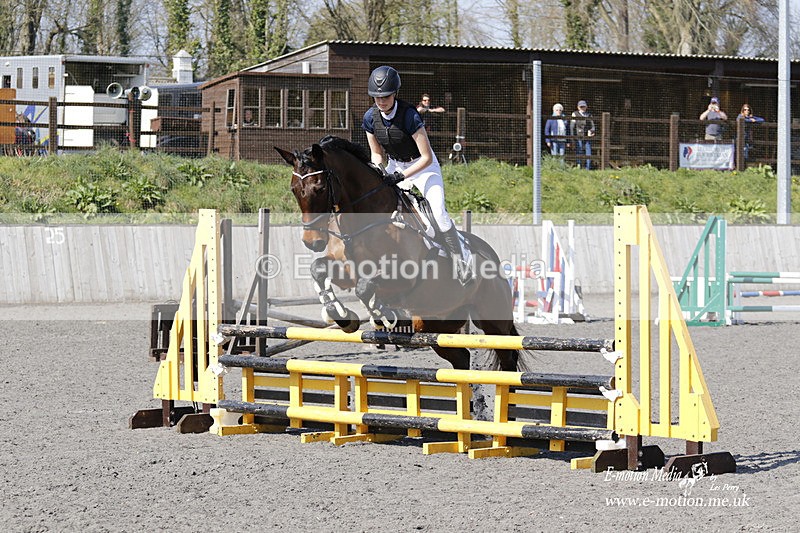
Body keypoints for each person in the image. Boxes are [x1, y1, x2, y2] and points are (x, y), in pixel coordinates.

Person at [362, 66, 469, 284]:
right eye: (377, 97)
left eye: (386, 96)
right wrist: (380, 172)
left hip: (423, 168)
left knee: (438, 213)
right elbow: (376, 153)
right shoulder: (370, 118)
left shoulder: (410, 116)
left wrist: (400, 177)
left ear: (395, 94)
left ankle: (460, 260)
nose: (381, 101)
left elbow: (426, 157)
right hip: (394, 166)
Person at [570, 100, 595, 169]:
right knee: (579, 150)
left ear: (586, 107)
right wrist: (572, 137)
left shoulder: (589, 115)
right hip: (579, 136)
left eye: (584, 107)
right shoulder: (574, 114)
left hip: (587, 136)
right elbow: (572, 127)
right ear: (578, 107)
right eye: (581, 107)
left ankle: (588, 167)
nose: (582, 108)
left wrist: (591, 131)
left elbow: (592, 125)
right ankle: (579, 166)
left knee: (588, 151)